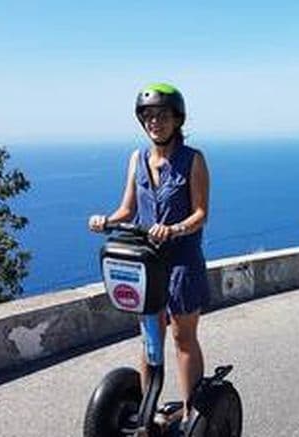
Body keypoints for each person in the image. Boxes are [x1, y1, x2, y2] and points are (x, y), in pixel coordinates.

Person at [88, 83, 210, 424]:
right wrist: (107, 220)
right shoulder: (136, 159)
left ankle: (191, 413)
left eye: (163, 115)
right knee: (150, 337)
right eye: (149, 116)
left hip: (182, 261)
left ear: (176, 119)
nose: (155, 122)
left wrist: (174, 229)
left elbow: (200, 213)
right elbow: (127, 208)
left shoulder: (193, 160)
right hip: (146, 261)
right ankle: (149, 413)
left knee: (182, 337)